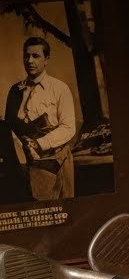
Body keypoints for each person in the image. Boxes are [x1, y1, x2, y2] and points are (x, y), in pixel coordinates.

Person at [3, 36, 77, 201]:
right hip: (29, 163)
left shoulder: (60, 88)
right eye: (26, 55)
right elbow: (11, 127)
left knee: (64, 210)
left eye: (36, 56)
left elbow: (68, 127)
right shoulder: (15, 91)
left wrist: (39, 144)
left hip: (56, 159)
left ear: (46, 60)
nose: (29, 60)